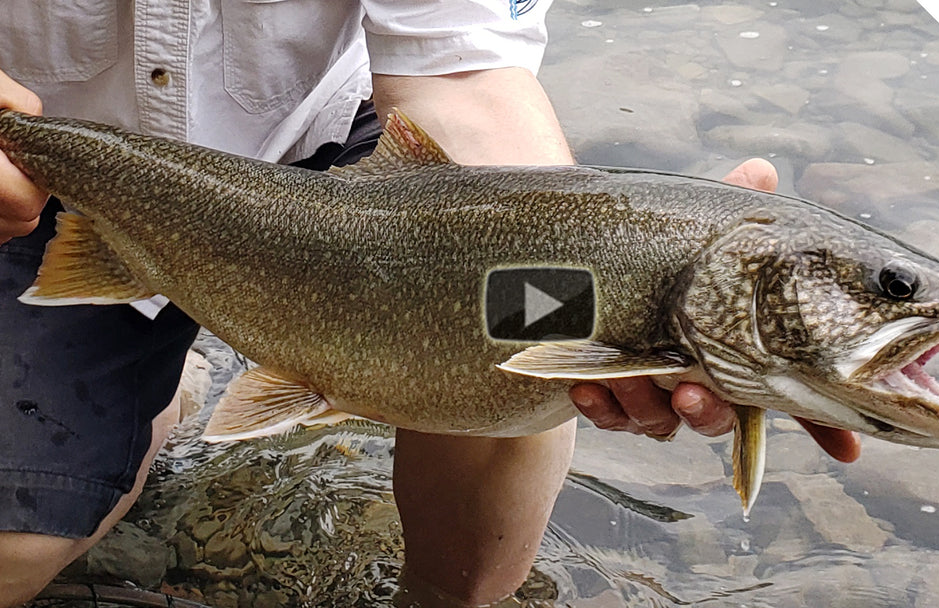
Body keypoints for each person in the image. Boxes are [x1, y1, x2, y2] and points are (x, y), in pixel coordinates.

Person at [0, 2, 860, 606]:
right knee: (14, 557)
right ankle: (159, 383)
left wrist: (608, 295)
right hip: (54, 180)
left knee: (519, 370)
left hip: (337, 170)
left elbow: (467, 84)